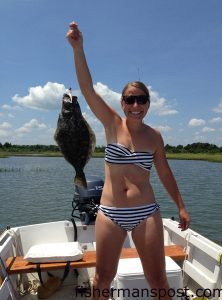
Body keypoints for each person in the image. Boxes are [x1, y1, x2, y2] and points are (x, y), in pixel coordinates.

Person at [67, 21, 191, 300]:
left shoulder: (155, 136)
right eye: (131, 100)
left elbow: (165, 173)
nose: (137, 105)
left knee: (158, 280)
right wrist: (78, 48)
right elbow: (87, 90)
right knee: (102, 279)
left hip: (146, 211)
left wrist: (181, 206)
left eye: (142, 100)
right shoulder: (112, 123)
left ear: (148, 103)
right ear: (122, 103)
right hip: (110, 213)